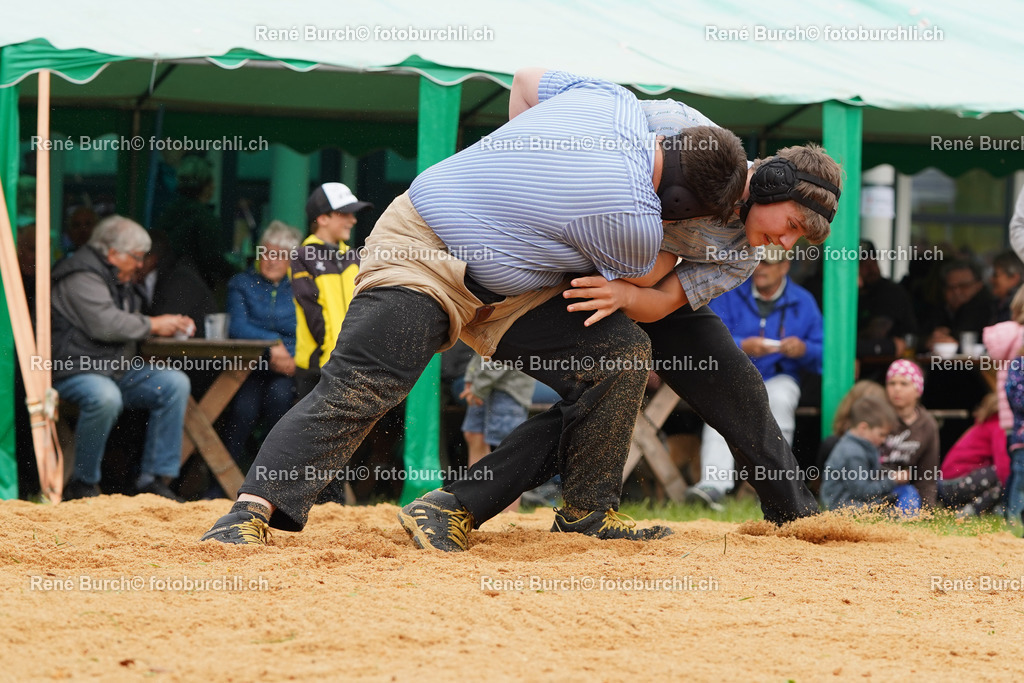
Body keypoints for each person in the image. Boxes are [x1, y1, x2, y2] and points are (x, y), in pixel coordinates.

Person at [200, 67, 751, 545]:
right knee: (364, 384)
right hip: (423, 253)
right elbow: (648, 276)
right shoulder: (634, 221)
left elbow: (525, 79)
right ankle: (248, 512)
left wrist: (514, 167)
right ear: (676, 204)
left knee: (618, 357)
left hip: (511, 285)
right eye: (690, 218)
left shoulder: (611, 99)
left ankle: (587, 512)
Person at [399, 100, 843, 551]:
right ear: (770, 182)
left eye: (798, 239)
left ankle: (796, 519)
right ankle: (460, 506)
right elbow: (564, 123)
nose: (785, 244)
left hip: (636, 291)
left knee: (737, 384)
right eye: (791, 225)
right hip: (567, 267)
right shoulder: (683, 130)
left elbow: (663, 302)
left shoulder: (744, 254)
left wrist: (628, 294)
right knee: (605, 388)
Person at [51, 215, 194, 501]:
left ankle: (153, 479)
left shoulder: (118, 275)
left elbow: (124, 320)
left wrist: (168, 325)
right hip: (75, 369)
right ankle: (83, 483)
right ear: (113, 253)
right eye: (137, 257)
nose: (141, 264)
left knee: (174, 383)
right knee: (105, 397)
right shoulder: (81, 275)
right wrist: (154, 324)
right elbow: (105, 324)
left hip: (115, 369)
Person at [684, 243, 823, 509]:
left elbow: (826, 354)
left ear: (784, 266)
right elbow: (704, 338)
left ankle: (778, 488)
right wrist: (741, 345)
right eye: (758, 262)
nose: (760, 269)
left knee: (780, 400)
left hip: (780, 376)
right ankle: (712, 486)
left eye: (768, 263)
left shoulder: (804, 301)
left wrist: (803, 349)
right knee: (720, 408)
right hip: (735, 374)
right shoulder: (730, 291)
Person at [218, 221, 302, 479]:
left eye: (280, 255)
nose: (271, 260)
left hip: (288, 369)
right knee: (243, 409)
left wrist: (293, 357)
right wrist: (273, 344)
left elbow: (309, 330)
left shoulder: (301, 287)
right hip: (250, 367)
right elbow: (237, 327)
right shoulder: (242, 283)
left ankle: (271, 480)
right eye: (266, 253)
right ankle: (222, 483)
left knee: (280, 400)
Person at [291, 183, 371, 399]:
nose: (353, 220)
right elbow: (311, 310)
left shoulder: (355, 256)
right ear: (322, 218)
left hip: (352, 365)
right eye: (345, 214)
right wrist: (335, 356)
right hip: (317, 368)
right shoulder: (303, 256)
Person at [154, 155, 235, 290]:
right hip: (195, 289)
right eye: (211, 182)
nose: (214, 186)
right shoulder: (205, 219)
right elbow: (214, 261)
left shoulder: (166, 214)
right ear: (206, 187)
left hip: (165, 286)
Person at [820, 395, 908, 511]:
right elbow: (862, 492)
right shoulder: (853, 454)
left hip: (850, 499)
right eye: (881, 434)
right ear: (863, 428)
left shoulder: (859, 445)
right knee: (891, 512)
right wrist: (892, 480)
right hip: (841, 505)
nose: (883, 440)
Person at [879, 360, 940, 510]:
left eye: (904, 384)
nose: (897, 389)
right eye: (892, 383)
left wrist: (927, 511)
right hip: (874, 486)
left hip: (905, 490)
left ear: (918, 390)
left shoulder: (927, 425)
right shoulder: (878, 417)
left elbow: (927, 475)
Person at [939, 394, 1010, 518]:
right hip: (955, 485)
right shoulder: (997, 426)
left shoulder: (985, 425)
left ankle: (980, 509)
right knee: (1004, 474)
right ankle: (971, 511)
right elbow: (1002, 465)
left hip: (946, 485)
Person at [857, 239, 918, 365]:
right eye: (863, 264)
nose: (871, 269)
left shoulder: (890, 291)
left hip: (892, 364)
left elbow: (876, 334)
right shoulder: (846, 293)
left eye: (873, 262)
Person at [924, 260, 994, 352]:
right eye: (951, 287)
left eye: (964, 286)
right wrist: (929, 340)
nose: (957, 292)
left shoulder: (988, 308)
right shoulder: (936, 309)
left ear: (978, 285)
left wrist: (951, 340)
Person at [990, 250, 1024, 323]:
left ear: (1014, 278)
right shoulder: (998, 303)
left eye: (995, 275)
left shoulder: (1016, 306)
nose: (991, 279)